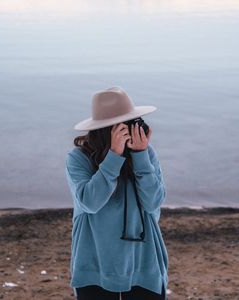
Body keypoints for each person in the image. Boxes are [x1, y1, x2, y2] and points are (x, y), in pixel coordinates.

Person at [65, 87, 168, 300]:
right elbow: (90, 202)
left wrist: (140, 155)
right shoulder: (78, 158)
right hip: (95, 261)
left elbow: (153, 203)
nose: (133, 128)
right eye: (127, 124)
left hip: (142, 260)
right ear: (107, 130)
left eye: (135, 121)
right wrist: (114, 156)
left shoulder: (145, 153)